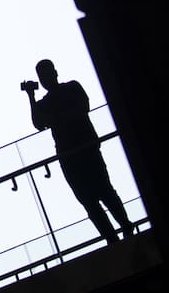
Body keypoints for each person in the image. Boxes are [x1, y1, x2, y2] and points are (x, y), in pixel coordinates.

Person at [22, 58, 136, 244]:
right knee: (90, 200)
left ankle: (124, 226)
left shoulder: (71, 88)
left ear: (55, 73)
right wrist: (31, 98)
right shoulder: (51, 99)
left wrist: (55, 118)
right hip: (71, 156)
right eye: (41, 76)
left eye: (46, 74)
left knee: (103, 192)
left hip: (84, 150)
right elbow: (39, 123)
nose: (44, 79)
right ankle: (113, 236)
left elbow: (82, 107)